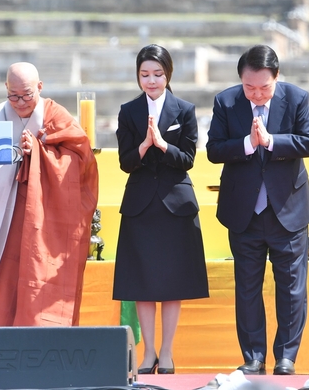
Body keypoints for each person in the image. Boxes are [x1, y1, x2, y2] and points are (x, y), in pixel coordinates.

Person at [206, 45, 309, 376]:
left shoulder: (296, 98)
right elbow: (213, 149)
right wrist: (247, 144)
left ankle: (286, 356)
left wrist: (270, 141)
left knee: (292, 286)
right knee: (247, 287)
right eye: (249, 87)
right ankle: (253, 356)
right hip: (245, 212)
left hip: (288, 210)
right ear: (240, 80)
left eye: (264, 88)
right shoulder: (226, 102)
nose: (256, 95)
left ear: (277, 78)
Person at [0, 61, 99, 326]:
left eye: (27, 94)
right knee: (6, 280)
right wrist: (15, 156)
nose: (21, 101)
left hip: (43, 215)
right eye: (13, 95)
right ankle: (0, 343)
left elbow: (81, 159)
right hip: (5, 215)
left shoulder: (56, 115)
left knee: (39, 273)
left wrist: (38, 151)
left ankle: (42, 339)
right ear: (5, 88)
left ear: (40, 87)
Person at [112, 44, 209, 375]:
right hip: (141, 207)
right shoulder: (128, 111)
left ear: (168, 75)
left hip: (175, 206)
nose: (151, 81)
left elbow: (189, 160)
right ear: (137, 76)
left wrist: (163, 144)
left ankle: (167, 352)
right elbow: (125, 162)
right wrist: (143, 145)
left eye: (157, 75)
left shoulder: (184, 109)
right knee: (142, 283)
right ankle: (149, 351)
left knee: (172, 283)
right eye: (145, 75)